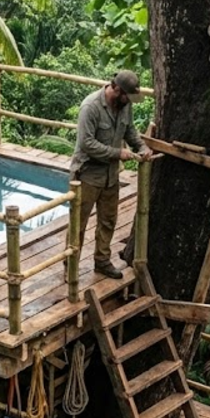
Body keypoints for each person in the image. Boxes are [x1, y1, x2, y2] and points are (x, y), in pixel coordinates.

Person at [70, 70, 151, 279]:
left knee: (108, 220)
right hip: (88, 173)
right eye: (127, 96)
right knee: (78, 223)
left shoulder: (125, 106)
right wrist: (118, 153)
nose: (129, 101)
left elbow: (130, 130)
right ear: (116, 89)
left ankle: (102, 261)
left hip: (111, 174)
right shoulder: (91, 107)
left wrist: (141, 147)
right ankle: (70, 267)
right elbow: (87, 144)